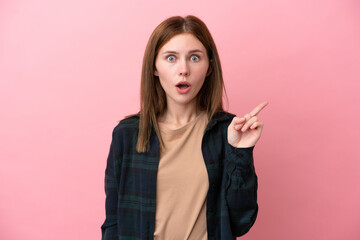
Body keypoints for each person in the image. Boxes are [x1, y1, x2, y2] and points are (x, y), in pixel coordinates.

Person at [101, 15, 268, 240]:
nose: (183, 69)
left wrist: (241, 153)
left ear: (209, 67)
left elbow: (240, 222)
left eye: (195, 58)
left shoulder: (227, 132)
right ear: (154, 67)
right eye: (171, 58)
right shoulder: (127, 134)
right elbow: (113, 223)